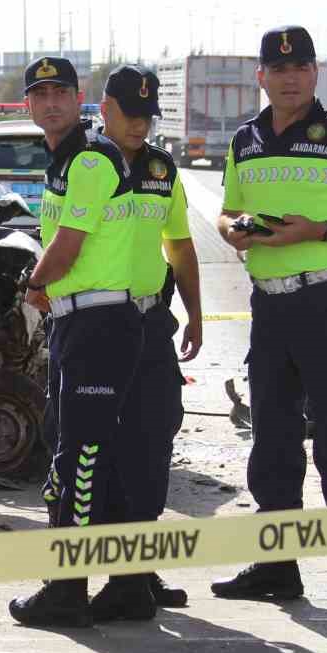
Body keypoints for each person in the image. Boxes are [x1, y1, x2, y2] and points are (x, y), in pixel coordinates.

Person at [211, 25, 327, 621]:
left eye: (301, 68)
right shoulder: (246, 140)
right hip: (270, 307)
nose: (290, 78)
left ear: (314, 74)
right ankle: (278, 568)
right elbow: (226, 210)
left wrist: (317, 231)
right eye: (278, 69)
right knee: (272, 442)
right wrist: (232, 230)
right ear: (261, 77)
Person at [6, 56, 147, 629]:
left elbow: (66, 245)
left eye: (60, 92)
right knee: (101, 460)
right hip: (80, 321)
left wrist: (31, 285)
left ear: (78, 96)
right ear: (28, 105)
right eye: (39, 95)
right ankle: (129, 587)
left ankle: (67, 590)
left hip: (100, 324)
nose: (50, 103)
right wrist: (48, 291)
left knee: (79, 459)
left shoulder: (89, 159)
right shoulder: (62, 162)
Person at [98, 63, 204, 616]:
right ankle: (117, 573)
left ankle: (139, 567)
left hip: (150, 325)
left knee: (155, 441)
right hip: (100, 326)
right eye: (129, 114)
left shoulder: (163, 169)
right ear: (105, 110)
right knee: (107, 451)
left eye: (146, 116)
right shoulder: (88, 164)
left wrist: (196, 314)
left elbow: (180, 247)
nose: (139, 126)